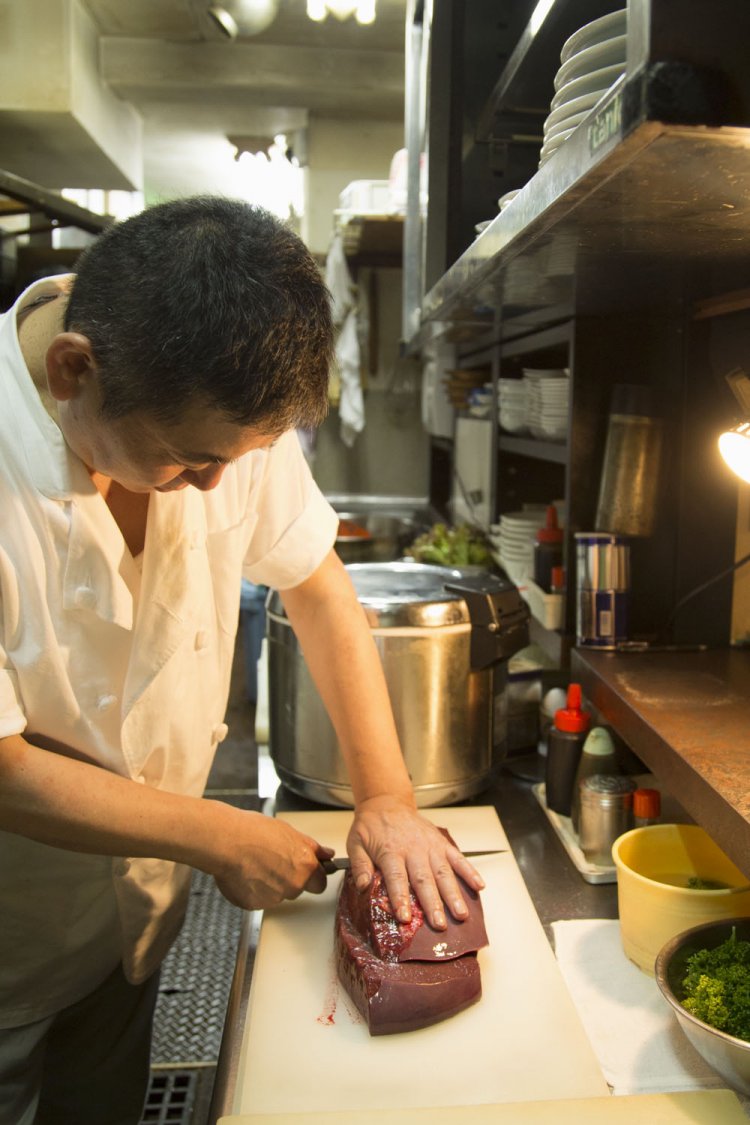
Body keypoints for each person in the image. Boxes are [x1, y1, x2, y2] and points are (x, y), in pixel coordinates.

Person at [0, 196, 484, 1124]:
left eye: (239, 459)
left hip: (136, 927)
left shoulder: (211, 407)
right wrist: (218, 833)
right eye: (188, 462)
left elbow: (317, 584)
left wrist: (384, 797)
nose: (217, 486)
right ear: (73, 371)